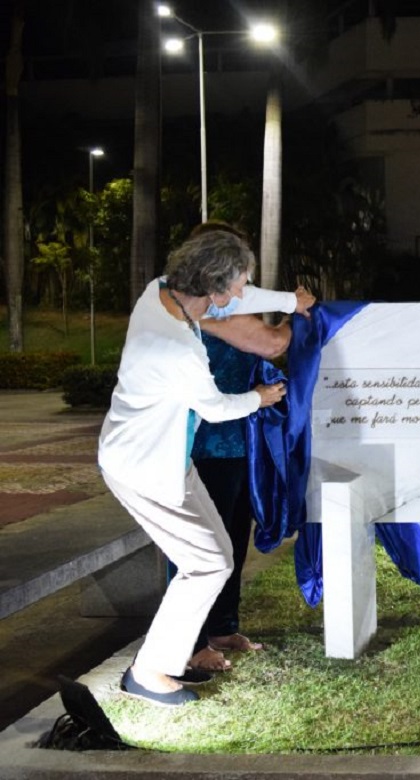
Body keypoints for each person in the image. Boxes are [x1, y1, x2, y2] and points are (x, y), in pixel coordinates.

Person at [98, 229, 314, 705]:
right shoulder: (176, 347)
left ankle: (173, 657)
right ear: (213, 289)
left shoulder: (162, 290)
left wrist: (287, 299)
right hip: (143, 468)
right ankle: (151, 671)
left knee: (216, 555)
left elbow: (245, 295)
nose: (242, 296)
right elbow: (216, 409)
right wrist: (259, 397)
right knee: (207, 563)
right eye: (236, 288)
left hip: (169, 458)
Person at [183, 222, 296, 674]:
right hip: (202, 444)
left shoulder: (224, 305)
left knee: (231, 540)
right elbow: (271, 344)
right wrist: (300, 315)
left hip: (237, 442)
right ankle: (190, 642)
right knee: (200, 547)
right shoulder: (205, 311)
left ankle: (223, 626)